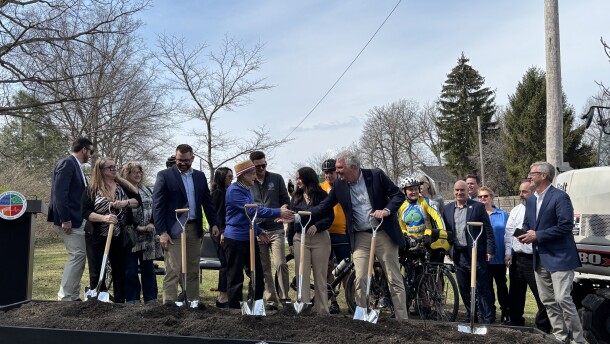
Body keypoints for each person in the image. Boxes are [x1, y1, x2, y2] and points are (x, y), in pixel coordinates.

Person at [307, 151, 409, 319]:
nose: (336, 171)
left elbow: (398, 195)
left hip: (383, 233)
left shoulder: (376, 175)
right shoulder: (339, 185)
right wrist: (301, 215)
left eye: (340, 168)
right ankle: (362, 317)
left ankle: (402, 320)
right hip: (361, 236)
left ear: (352, 167)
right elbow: (324, 206)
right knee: (360, 277)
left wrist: (386, 210)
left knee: (393, 277)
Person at [519, 162, 585, 343]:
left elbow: (565, 226)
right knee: (548, 301)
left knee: (563, 298)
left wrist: (537, 235)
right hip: (539, 259)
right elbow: (528, 223)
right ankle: (560, 337)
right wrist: (524, 232)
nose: (529, 177)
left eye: (532, 174)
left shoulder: (560, 197)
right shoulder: (531, 199)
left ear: (543, 176)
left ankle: (578, 339)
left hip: (560, 257)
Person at [152, 144, 219, 304]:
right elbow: (158, 206)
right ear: (176, 158)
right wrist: (162, 232)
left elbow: (207, 203)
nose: (182, 163)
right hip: (173, 230)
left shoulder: (200, 176)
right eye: (179, 160)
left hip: (193, 228)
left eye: (186, 160)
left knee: (193, 269)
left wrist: (214, 223)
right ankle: (169, 304)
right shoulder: (165, 175)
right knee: (173, 269)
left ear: (192, 158)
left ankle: (192, 302)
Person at [223, 160, 294, 309]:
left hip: (249, 237)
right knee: (236, 276)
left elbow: (250, 218)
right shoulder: (234, 191)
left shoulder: (247, 189)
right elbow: (252, 211)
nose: (255, 177)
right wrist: (278, 211)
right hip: (235, 238)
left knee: (258, 273)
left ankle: (256, 304)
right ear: (242, 175)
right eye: (252, 174)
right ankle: (234, 309)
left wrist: (258, 231)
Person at [81, 158, 140, 303]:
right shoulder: (92, 188)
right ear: (100, 170)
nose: (114, 169)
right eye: (110, 167)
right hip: (96, 236)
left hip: (118, 235)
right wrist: (104, 218)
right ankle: (97, 300)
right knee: (96, 271)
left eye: (114, 167)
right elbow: (85, 212)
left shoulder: (123, 185)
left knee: (119, 270)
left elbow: (136, 201)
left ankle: (120, 303)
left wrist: (124, 202)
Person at [442, 180, 495, 324]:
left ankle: (487, 317)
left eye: (462, 190)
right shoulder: (447, 209)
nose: (459, 193)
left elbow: (488, 229)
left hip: (476, 254)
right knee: (464, 287)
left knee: (482, 287)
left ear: (467, 191)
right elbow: (447, 232)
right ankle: (471, 314)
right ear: (454, 191)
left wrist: (490, 249)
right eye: (457, 190)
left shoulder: (477, 207)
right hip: (458, 254)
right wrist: (448, 249)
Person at [48, 137, 94, 301]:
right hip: (70, 220)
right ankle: (66, 296)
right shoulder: (67, 163)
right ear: (83, 150)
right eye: (91, 151)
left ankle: (72, 295)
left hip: (76, 219)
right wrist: (65, 219)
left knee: (79, 256)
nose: (91, 155)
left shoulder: (76, 166)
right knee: (77, 255)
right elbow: (60, 194)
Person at [504, 180, 551, 332]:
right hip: (518, 258)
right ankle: (516, 322)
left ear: (532, 192)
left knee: (541, 294)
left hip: (535, 258)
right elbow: (508, 233)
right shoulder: (516, 210)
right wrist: (508, 253)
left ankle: (543, 325)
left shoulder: (540, 209)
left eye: (524, 192)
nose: (521, 195)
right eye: (520, 191)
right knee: (516, 293)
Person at [286, 167, 334, 315]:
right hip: (300, 239)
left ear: (308, 178)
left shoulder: (322, 195)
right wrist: (290, 243)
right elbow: (291, 221)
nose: (298, 181)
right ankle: (303, 309)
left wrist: (317, 226)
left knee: (320, 275)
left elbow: (329, 217)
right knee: (302, 274)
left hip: (320, 240)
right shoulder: (296, 198)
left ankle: (322, 311)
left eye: (300, 178)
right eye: (297, 178)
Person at [249, 151, 291, 310]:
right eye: (257, 166)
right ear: (252, 165)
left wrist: (284, 209)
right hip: (258, 230)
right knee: (264, 267)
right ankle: (271, 301)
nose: (261, 168)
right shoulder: (248, 182)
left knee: (281, 263)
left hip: (276, 229)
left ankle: (285, 298)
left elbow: (285, 200)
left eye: (263, 165)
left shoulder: (276, 178)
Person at [120, 162, 162, 304]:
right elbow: (124, 212)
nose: (138, 175)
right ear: (127, 174)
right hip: (131, 236)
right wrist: (137, 226)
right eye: (134, 172)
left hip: (147, 237)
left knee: (148, 269)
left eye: (139, 172)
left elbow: (155, 208)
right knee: (131, 270)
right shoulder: (123, 190)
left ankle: (151, 298)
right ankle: (133, 299)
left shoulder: (146, 190)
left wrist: (151, 223)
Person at [320, 159, 350, 314]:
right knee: (328, 268)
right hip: (325, 233)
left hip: (342, 232)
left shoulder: (344, 187)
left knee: (345, 268)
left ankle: (352, 300)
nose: (328, 176)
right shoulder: (321, 188)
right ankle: (333, 302)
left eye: (331, 172)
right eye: (325, 173)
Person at [477, 186, 510, 323]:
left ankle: (506, 311)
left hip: (499, 257)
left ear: (491, 198)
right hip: (483, 258)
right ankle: (490, 312)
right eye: (480, 197)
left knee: (502, 286)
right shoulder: (476, 215)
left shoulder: (502, 215)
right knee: (487, 287)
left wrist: (509, 253)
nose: (483, 199)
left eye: (486, 196)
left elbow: (509, 235)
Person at [397, 176, 448, 261]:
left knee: (429, 271)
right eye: (411, 190)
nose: (414, 192)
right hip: (412, 244)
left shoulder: (426, 201)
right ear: (404, 191)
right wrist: (408, 236)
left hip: (427, 242)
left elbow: (438, 217)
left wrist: (442, 233)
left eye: (416, 189)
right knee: (412, 271)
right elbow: (401, 227)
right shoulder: (402, 206)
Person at [210, 167, 233, 308]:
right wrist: (222, 230)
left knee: (228, 264)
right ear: (222, 177)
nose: (232, 179)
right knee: (225, 264)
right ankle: (222, 296)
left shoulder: (226, 192)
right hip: (219, 233)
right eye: (229, 177)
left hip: (225, 231)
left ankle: (226, 294)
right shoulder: (218, 193)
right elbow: (217, 215)